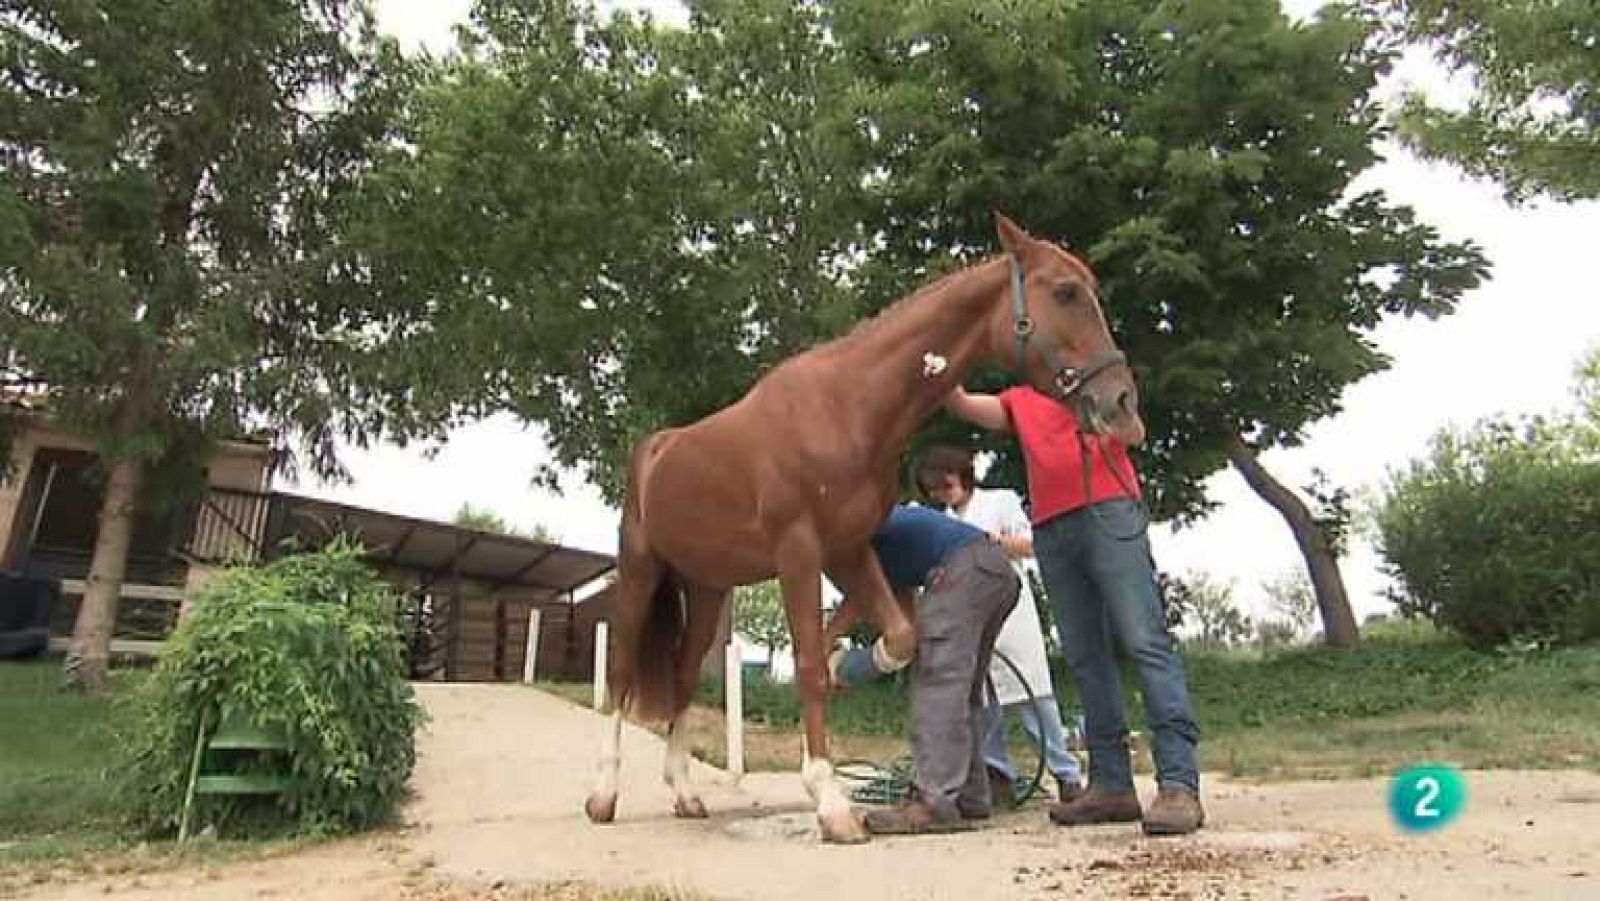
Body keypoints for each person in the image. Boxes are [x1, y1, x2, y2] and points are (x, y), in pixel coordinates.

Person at [944, 383, 1204, 836]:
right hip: (1049, 525)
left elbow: (1135, 432)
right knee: (1085, 655)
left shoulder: (1094, 376)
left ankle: (1179, 784)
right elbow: (967, 405)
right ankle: (1111, 784)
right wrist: (941, 373)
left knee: (1145, 641)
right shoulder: (1020, 397)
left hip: (1109, 507)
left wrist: (1115, 410)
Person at [823, 503, 1020, 834]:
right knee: (962, 689)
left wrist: (823, 647)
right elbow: (907, 632)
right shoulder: (895, 548)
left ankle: (934, 802)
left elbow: (858, 597)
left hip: (963, 567)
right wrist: (876, 659)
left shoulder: (850, 535)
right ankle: (969, 796)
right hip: (995, 569)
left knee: (937, 682)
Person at [914, 444, 1085, 807]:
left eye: (945, 483)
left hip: (1010, 606)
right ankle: (997, 773)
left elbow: (1031, 543)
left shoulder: (1001, 501)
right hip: (966, 617)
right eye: (935, 490)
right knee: (980, 698)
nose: (942, 493)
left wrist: (993, 543)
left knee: (1034, 695)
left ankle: (1066, 774)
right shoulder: (942, 521)